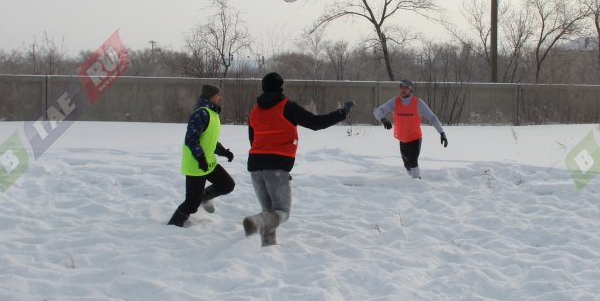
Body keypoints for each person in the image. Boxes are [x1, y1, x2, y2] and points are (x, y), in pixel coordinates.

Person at [244, 72, 354, 246]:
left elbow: (253, 139)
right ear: (281, 87)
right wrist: (342, 113)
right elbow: (315, 123)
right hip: (276, 166)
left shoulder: (255, 111)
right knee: (282, 212)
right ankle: (256, 222)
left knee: (269, 212)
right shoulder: (286, 106)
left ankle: (268, 248)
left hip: (255, 166)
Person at [168, 84, 235, 227]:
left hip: (208, 162)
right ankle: (173, 226)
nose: (221, 98)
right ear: (211, 96)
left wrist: (224, 152)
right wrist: (200, 158)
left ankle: (203, 198)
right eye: (218, 95)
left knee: (227, 184)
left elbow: (209, 139)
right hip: (196, 164)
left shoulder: (213, 114)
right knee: (191, 204)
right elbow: (191, 139)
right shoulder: (201, 114)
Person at [373, 79, 448, 179]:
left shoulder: (418, 103)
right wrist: (383, 119)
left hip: (415, 138)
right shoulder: (395, 102)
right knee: (407, 165)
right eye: (401, 87)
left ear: (410, 90)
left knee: (413, 161)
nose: (403, 90)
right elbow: (378, 111)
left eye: (406, 88)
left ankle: (417, 181)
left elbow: (432, 118)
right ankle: (412, 181)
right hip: (402, 139)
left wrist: (442, 132)